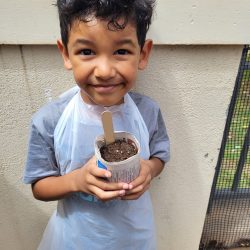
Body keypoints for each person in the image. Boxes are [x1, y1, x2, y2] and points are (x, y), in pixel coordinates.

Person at [23, 0, 170, 249]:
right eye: (87, 52)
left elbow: (160, 155)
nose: (103, 71)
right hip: (76, 239)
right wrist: (77, 181)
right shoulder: (50, 121)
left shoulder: (148, 112)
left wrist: (149, 170)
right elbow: (40, 186)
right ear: (66, 54)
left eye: (121, 51)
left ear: (142, 54)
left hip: (133, 237)